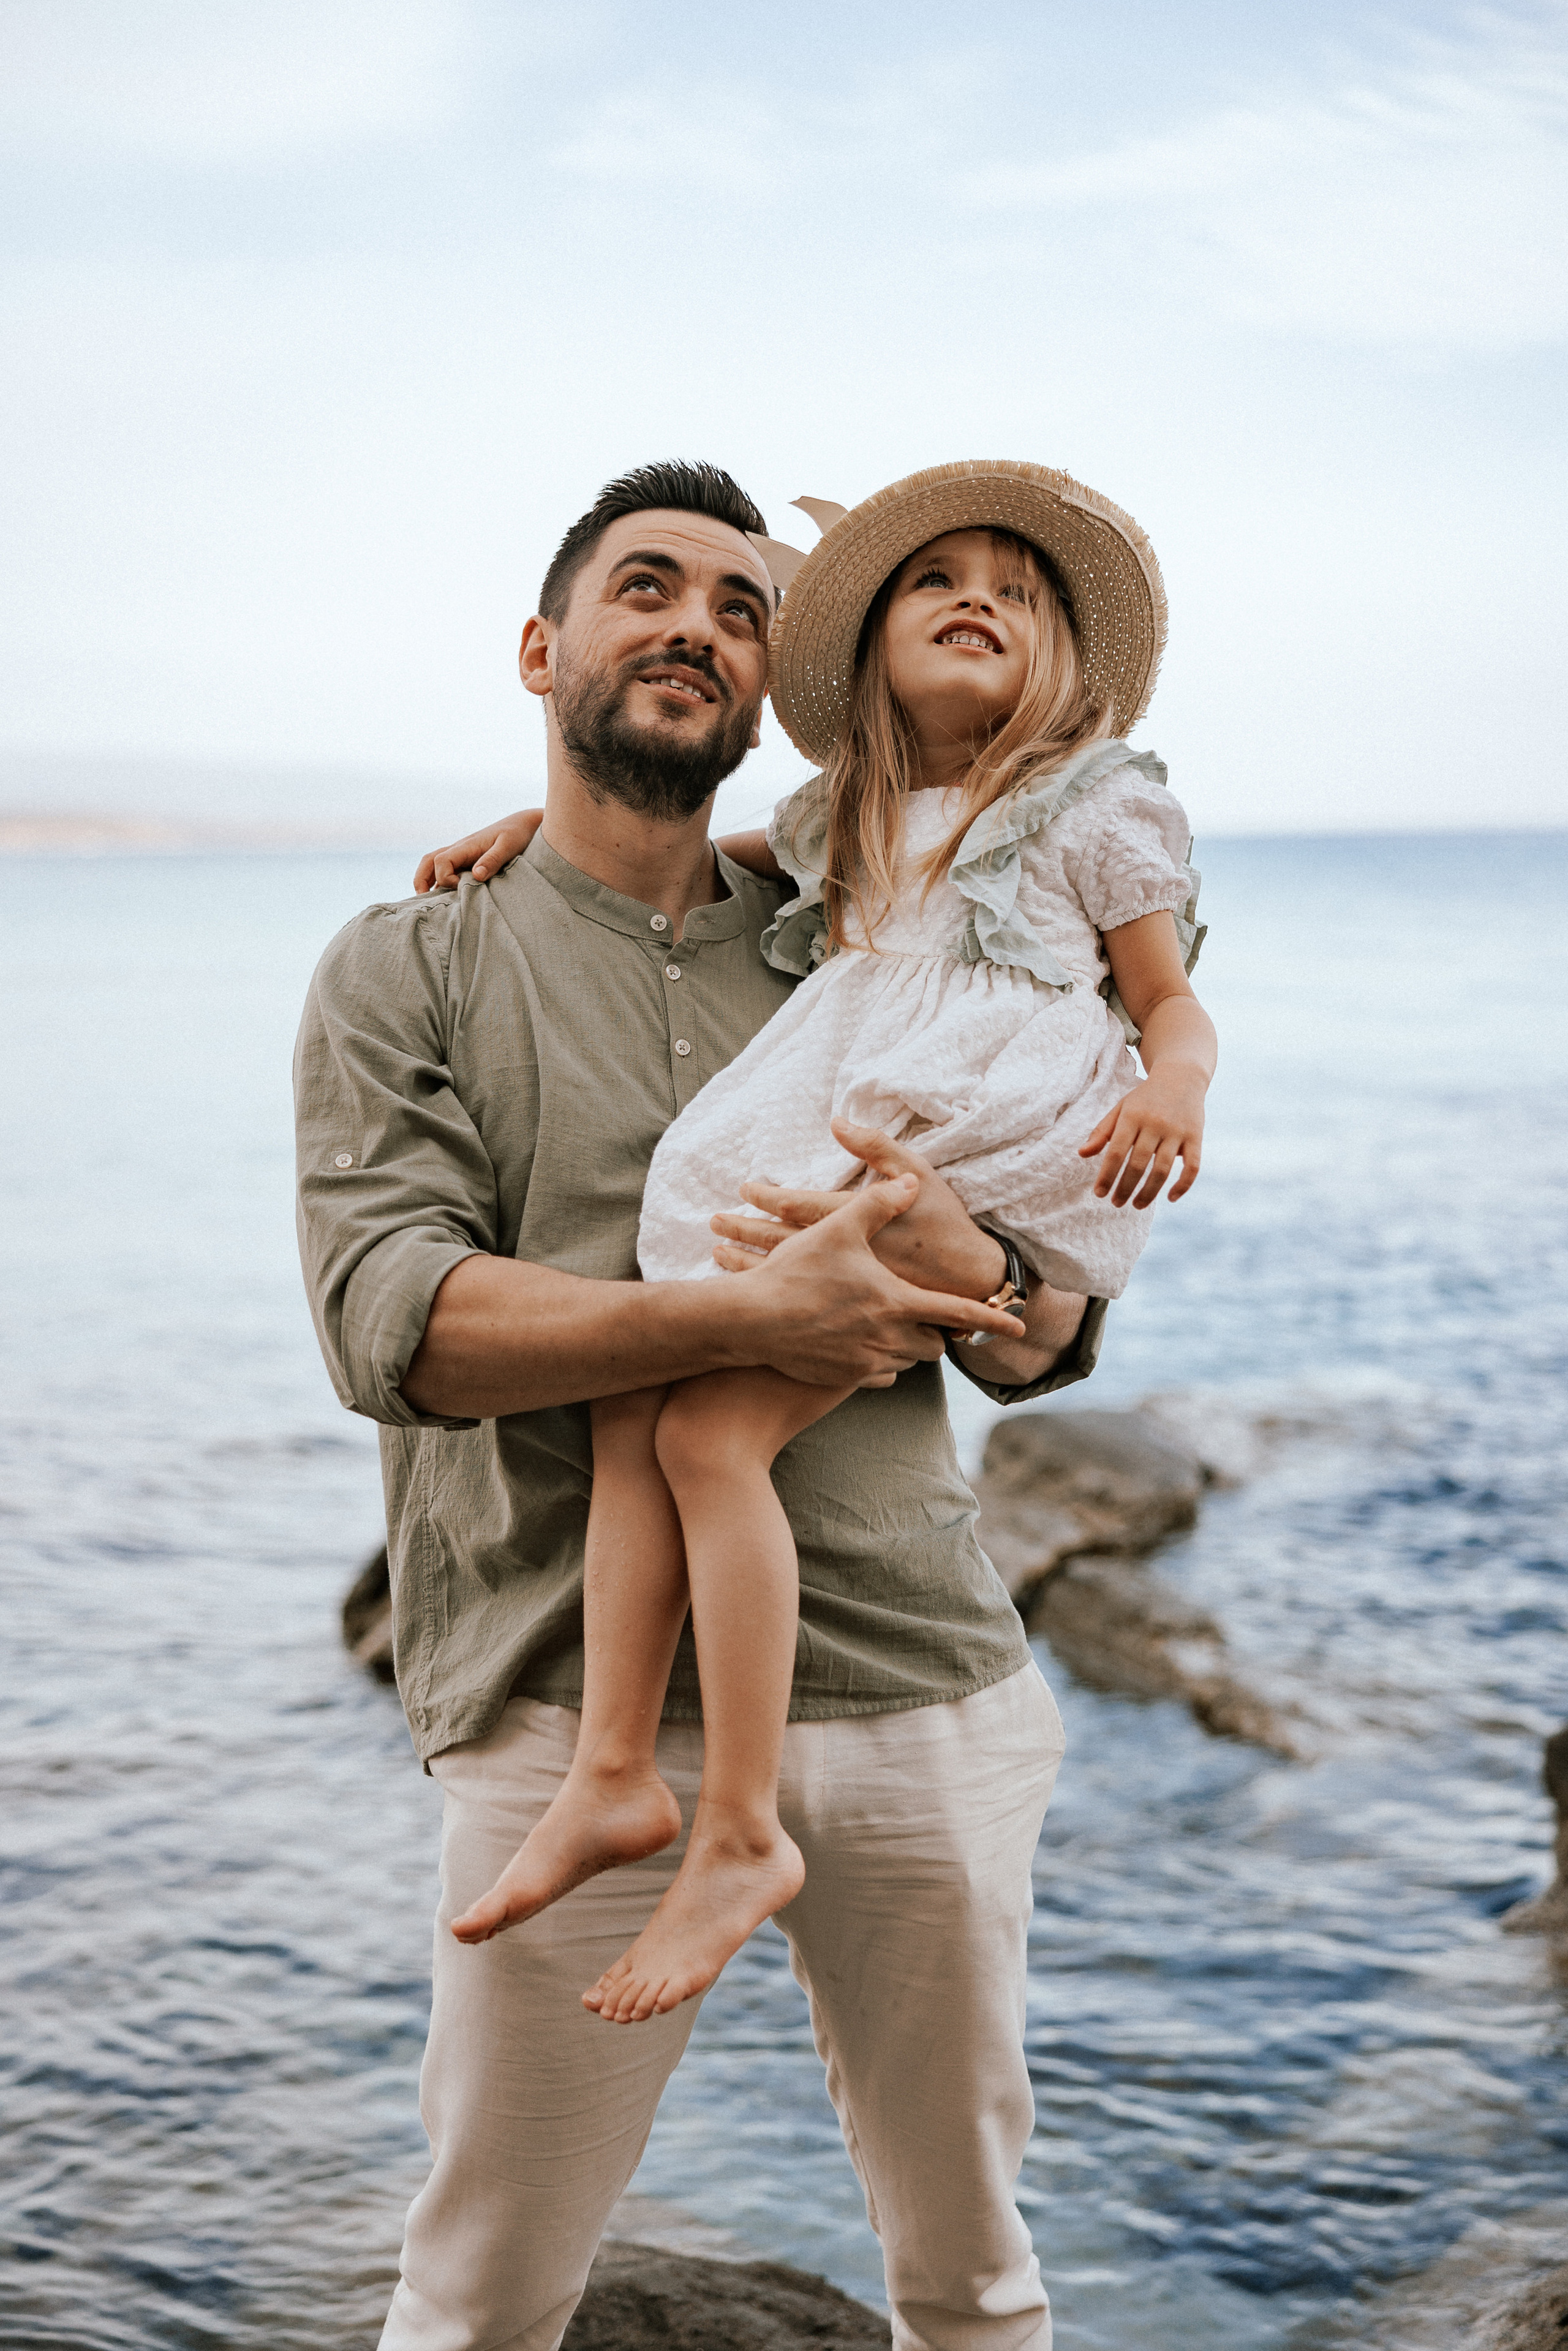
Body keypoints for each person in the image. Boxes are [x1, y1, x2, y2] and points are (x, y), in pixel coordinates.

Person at [295, 458, 1106, 2351]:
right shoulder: (413, 958)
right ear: (542, 646)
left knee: (978, 2285)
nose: (694, 627)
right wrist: (746, 1308)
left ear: (781, 688)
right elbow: (393, 1321)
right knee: (482, 2294)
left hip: (925, 1683)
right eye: (645, 589)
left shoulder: (871, 926)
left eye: (744, 609)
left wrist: (985, 1280)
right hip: (572, 1719)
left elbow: (1046, 1326)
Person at [418, 460, 1215, 2037]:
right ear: (862, 650)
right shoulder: (840, 812)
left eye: (1018, 586)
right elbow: (695, 865)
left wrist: (1177, 1088)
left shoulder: (1096, 802)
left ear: (1059, 653)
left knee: (706, 1432)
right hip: (863, 1109)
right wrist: (538, 821)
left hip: (970, 1136)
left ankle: (732, 1829)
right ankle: (614, 1772)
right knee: (644, 1403)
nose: (979, 596)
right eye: (934, 579)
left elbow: (1165, 994)